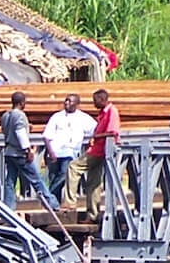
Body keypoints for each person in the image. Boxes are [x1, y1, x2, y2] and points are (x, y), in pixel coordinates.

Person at [0, 90, 56, 209]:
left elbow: (6, 131)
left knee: (10, 180)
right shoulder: (19, 115)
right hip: (19, 153)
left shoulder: (5, 115)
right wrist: (28, 150)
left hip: (9, 152)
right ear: (22, 102)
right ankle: (51, 203)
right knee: (35, 178)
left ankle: (9, 206)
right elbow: (20, 133)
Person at [41, 93, 95, 205]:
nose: (67, 103)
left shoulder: (83, 118)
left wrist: (93, 139)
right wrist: (50, 152)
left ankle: (48, 197)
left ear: (77, 104)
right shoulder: (57, 117)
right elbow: (46, 136)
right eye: (66, 101)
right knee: (54, 177)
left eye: (70, 101)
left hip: (70, 152)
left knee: (63, 175)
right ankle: (53, 204)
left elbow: (95, 129)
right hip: (54, 152)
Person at [83, 89, 120, 220]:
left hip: (103, 152)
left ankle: (69, 201)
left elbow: (113, 132)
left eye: (95, 101)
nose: (93, 103)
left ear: (102, 99)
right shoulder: (102, 113)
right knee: (93, 183)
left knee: (73, 167)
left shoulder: (111, 111)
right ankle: (92, 215)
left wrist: (97, 136)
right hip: (97, 150)